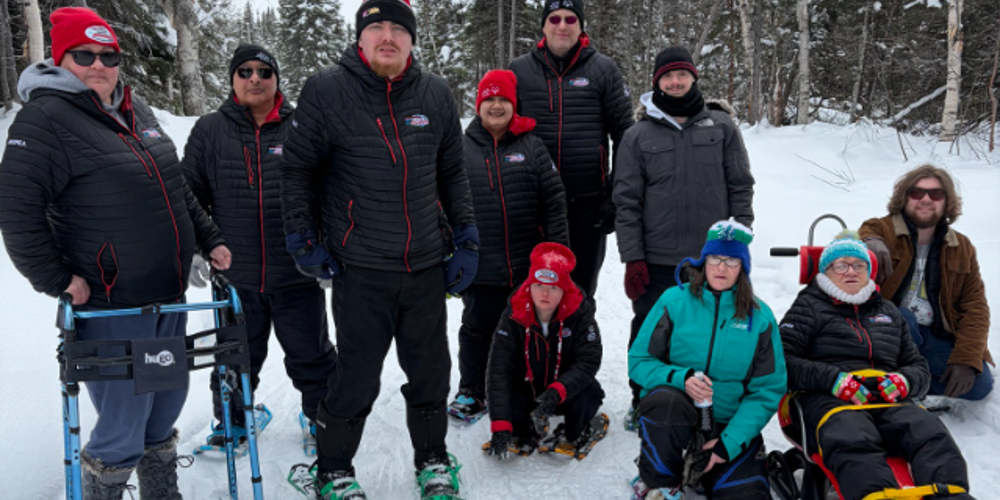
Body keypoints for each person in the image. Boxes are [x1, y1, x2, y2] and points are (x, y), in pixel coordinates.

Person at [0, 7, 230, 499]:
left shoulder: (133, 108)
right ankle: (103, 488)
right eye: (84, 54)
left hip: (166, 296)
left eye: (109, 55)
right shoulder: (44, 119)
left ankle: (160, 486)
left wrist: (209, 238)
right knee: (124, 416)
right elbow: (17, 211)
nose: (99, 65)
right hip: (112, 304)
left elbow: (176, 189)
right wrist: (55, 276)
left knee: (165, 400)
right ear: (61, 60)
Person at [278, 0, 477, 498]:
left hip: (425, 265)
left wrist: (467, 236)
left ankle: (433, 459)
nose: (387, 36)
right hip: (361, 267)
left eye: (397, 28)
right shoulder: (327, 91)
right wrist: (301, 236)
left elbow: (452, 173)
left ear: (411, 39)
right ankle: (333, 469)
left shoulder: (434, 93)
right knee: (357, 377)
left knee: (431, 373)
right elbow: (297, 170)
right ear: (361, 38)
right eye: (376, 27)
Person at [181, 44, 337, 443]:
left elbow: (330, 191)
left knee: (312, 355)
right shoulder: (209, 130)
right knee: (234, 357)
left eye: (264, 72)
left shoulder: (303, 125)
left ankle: (321, 420)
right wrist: (197, 247)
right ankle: (232, 423)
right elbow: (189, 197)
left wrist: (329, 249)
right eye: (245, 71)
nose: (255, 79)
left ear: (276, 80)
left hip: (296, 273)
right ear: (232, 79)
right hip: (235, 275)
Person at [615, 46, 754, 429]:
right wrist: (633, 257)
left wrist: (739, 241)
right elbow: (625, 201)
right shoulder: (637, 135)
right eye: (666, 77)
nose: (675, 83)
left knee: (712, 330)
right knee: (651, 331)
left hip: (714, 257)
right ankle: (643, 398)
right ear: (656, 81)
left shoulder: (721, 126)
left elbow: (740, 185)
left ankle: (712, 399)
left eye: (681, 75)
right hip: (658, 257)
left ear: (694, 77)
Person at [779, 232, 975, 500]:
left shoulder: (889, 312)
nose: (851, 271)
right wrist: (833, 380)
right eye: (841, 265)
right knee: (852, 435)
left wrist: (903, 381)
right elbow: (783, 361)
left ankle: (950, 495)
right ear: (826, 271)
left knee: (928, 431)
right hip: (830, 397)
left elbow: (917, 365)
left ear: (869, 271)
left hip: (887, 398)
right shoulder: (808, 307)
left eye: (858, 265)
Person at [628, 219, 785, 500]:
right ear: (704, 260)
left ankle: (716, 469)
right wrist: (681, 378)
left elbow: (767, 390)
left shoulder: (760, 318)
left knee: (746, 496)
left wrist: (729, 443)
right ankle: (659, 481)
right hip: (679, 410)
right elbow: (639, 361)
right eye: (715, 258)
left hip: (728, 423)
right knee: (663, 402)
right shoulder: (673, 302)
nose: (721, 267)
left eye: (731, 260)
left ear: (743, 268)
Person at [449, 69, 568, 422]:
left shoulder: (532, 146)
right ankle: (472, 390)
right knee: (477, 327)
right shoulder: (459, 147)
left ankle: (525, 386)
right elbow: (442, 202)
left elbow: (554, 200)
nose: (497, 106)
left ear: (514, 105)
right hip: (480, 263)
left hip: (525, 263)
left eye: (504, 100)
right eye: (490, 99)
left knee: (529, 326)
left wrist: (558, 256)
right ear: (478, 104)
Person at [509, 0, 634, 299]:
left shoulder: (603, 69)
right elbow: (502, 131)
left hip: (587, 204)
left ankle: (578, 346)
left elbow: (626, 137)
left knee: (579, 293)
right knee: (531, 291)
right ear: (543, 26)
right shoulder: (519, 70)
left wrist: (614, 195)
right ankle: (533, 347)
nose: (562, 26)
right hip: (532, 203)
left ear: (581, 25)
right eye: (554, 19)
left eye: (570, 19)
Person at [859, 165, 992, 401]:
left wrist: (966, 359)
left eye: (936, 194)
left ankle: (906, 385)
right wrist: (870, 241)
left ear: (946, 201)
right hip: (889, 333)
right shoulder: (884, 230)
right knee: (902, 317)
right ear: (904, 197)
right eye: (917, 193)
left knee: (979, 386)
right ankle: (893, 384)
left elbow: (975, 307)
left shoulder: (961, 246)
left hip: (933, 335)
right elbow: (866, 230)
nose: (926, 199)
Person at [484, 242, 605, 459]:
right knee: (509, 403)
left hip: (562, 389)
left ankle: (578, 429)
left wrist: (558, 391)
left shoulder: (578, 312)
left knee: (589, 393)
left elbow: (589, 359)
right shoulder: (515, 314)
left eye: (553, 288)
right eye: (539, 286)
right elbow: (499, 370)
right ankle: (525, 429)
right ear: (530, 286)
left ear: (564, 290)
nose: (545, 294)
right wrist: (500, 424)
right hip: (528, 388)